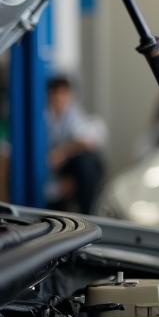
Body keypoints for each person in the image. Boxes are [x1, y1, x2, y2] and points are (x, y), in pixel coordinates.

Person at [46, 73, 106, 213]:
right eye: (57, 93)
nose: (60, 98)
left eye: (64, 93)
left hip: (64, 174)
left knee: (90, 161)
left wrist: (62, 152)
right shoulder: (41, 117)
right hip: (47, 179)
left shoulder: (73, 115)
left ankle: (88, 213)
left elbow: (87, 141)